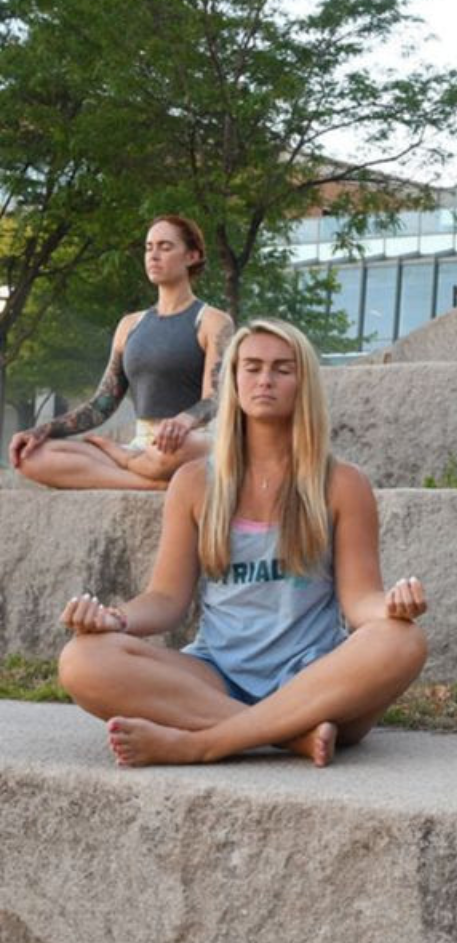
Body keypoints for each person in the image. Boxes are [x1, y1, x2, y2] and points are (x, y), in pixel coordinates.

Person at [56, 318, 428, 768]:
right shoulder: (194, 482)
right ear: (233, 380)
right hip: (215, 677)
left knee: (402, 641)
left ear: (302, 382)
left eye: (281, 369)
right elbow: (166, 599)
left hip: (315, 681)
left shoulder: (343, 484)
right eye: (251, 367)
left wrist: (391, 608)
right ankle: (290, 736)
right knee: (82, 660)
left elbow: (359, 601)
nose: (265, 380)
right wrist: (114, 619)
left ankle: (201, 744)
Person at [8, 215, 233, 490]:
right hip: (141, 447)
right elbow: (102, 404)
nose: (153, 255)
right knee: (31, 457)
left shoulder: (213, 321)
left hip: (190, 442)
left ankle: (132, 464)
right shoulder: (130, 325)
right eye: (149, 247)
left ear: (192, 256)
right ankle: (152, 484)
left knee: (181, 448)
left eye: (165, 247)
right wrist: (43, 429)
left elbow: (216, 397)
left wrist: (182, 421)